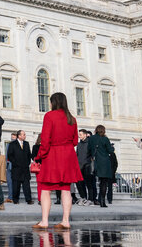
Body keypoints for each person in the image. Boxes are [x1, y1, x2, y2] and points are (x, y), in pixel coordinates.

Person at [33, 92, 84, 230]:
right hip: (68, 155)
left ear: (53, 102)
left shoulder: (49, 116)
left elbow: (45, 139)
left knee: (45, 189)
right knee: (66, 189)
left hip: (53, 155)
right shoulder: (72, 119)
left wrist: (39, 156)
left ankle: (44, 221)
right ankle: (65, 221)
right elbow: (74, 141)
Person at [87, 125, 115, 207]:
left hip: (95, 162)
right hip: (104, 162)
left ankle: (93, 198)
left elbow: (88, 149)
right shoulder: (105, 139)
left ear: (96, 130)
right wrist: (112, 148)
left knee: (93, 182)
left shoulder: (91, 138)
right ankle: (102, 201)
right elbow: (110, 150)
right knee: (104, 183)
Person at [8, 129, 33, 204]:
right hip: (16, 168)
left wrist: (28, 163)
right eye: (23, 134)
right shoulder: (12, 144)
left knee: (26, 185)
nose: (25, 136)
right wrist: (15, 163)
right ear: (19, 136)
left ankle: (29, 199)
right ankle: (15, 199)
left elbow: (29, 154)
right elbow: (10, 155)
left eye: (25, 134)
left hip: (25, 168)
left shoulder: (26, 144)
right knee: (16, 185)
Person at [76, 129, 96, 205]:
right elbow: (77, 154)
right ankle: (83, 197)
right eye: (79, 134)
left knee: (89, 183)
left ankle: (90, 199)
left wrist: (90, 162)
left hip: (87, 165)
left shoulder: (90, 143)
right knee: (80, 183)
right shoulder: (79, 144)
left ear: (85, 135)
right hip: (79, 166)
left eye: (80, 134)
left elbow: (93, 154)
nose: (79, 136)